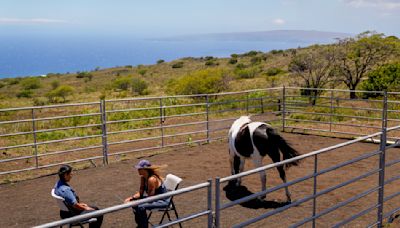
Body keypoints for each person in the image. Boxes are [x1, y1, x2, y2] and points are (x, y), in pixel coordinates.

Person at [124, 160, 169, 228]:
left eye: (139, 168)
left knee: (141, 207)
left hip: (162, 201)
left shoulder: (151, 179)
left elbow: (150, 198)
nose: (138, 170)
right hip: (154, 198)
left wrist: (137, 202)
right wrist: (131, 198)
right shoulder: (143, 177)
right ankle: (140, 224)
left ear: (145, 169)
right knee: (134, 204)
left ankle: (144, 226)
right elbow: (141, 193)